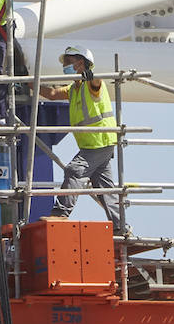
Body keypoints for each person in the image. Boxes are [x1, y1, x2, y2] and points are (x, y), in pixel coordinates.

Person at [38, 44, 133, 237]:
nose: (65, 66)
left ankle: (60, 213)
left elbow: (97, 81)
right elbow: (52, 94)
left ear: (80, 63)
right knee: (105, 189)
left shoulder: (90, 84)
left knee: (75, 170)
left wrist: (91, 74)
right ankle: (121, 226)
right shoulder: (74, 88)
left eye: (68, 62)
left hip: (99, 141)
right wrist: (29, 83)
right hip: (95, 144)